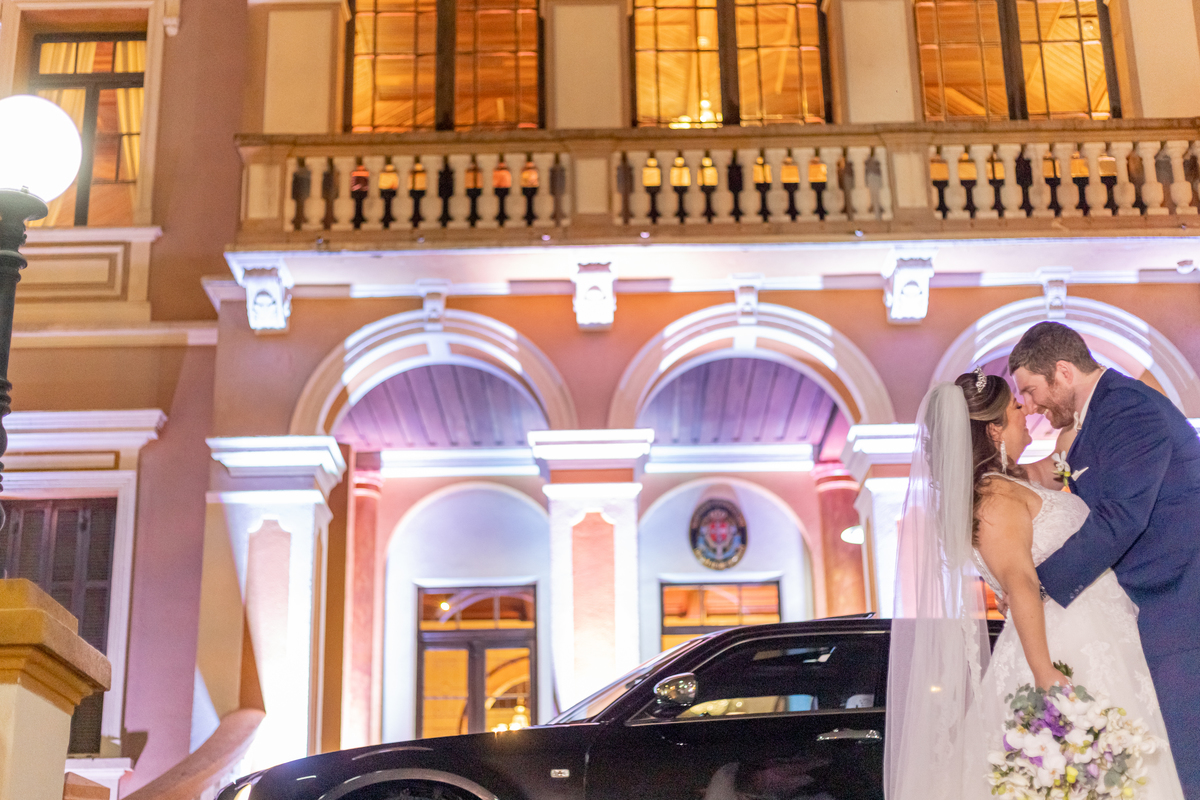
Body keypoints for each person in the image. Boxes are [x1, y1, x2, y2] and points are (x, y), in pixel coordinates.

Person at [884, 367, 1184, 800]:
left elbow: (1062, 452)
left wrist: (1108, 385)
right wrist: (1045, 675)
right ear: (994, 430)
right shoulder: (993, 499)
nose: (1026, 411)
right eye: (1015, 406)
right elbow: (1022, 584)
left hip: (1102, 634)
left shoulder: (1014, 482)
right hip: (1064, 647)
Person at [1009, 322, 1200, 800]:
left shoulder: (1127, 408)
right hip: (1153, 604)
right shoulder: (1096, 417)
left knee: (1187, 762)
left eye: (1030, 390)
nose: (1029, 405)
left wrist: (1038, 583)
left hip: (1178, 604)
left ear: (1063, 371)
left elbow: (1122, 517)